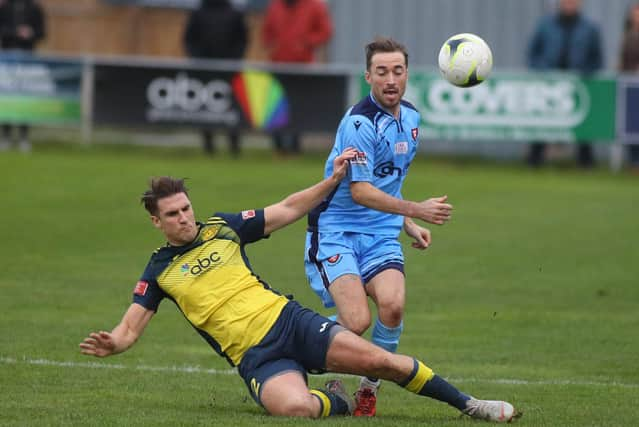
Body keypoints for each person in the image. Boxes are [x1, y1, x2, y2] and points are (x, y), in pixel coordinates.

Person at [79, 167, 519, 422]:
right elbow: (130, 328)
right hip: (257, 357)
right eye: (172, 215)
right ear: (157, 222)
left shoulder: (223, 228)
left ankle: (469, 404)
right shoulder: (159, 271)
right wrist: (113, 344)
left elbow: (288, 208)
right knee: (295, 409)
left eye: (186, 208)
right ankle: (338, 400)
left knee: (380, 362)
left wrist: (333, 180)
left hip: (290, 321)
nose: (183, 218)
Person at [303, 37, 454, 416]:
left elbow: (389, 182)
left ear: (407, 75)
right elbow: (361, 191)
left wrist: (405, 221)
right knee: (355, 321)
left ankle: (370, 386)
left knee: (393, 306)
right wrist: (416, 210)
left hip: (381, 232)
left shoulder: (413, 119)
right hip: (336, 228)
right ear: (368, 76)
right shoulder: (359, 123)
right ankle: (306, 348)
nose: (390, 79)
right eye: (382, 71)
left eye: (398, 71)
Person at [526, 0, 603, 168]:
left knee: (583, 122)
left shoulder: (590, 28)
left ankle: (586, 162)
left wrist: (583, 73)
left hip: (579, 85)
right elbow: (532, 54)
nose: (570, 4)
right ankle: (534, 160)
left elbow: (597, 60)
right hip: (548, 85)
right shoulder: (545, 25)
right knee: (542, 121)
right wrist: (544, 71)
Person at [261, 0, 333, 154]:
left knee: (297, 107)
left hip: (302, 67)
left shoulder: (314, 5)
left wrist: (306, 42)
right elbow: (267, 32)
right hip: (278, 65)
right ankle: (278, 147)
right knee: (275, 105)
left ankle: (295, 147)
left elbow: (325, 31)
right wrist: (271, 46)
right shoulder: (275, 5)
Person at [183, 0, 247, 157]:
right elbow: (189, 39)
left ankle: (234, 146)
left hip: (229, 71)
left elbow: (242, 39)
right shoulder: (199, 13)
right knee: (205, 107)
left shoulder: (234, 13)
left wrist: (233, 60)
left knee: (231, 108)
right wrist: (199, 60)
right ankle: (208, 146)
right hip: (204, 71)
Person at [0, 0, 45, 152]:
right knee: (5, 97)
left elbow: (42, 33)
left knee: (26, 98)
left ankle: (24, 137)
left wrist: (31, 33)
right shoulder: (5, 7)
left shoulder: (35, 8)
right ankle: (5, 136)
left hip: (28, 60)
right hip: (7, 59)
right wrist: (15, 32)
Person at [619, 2, 639, 170]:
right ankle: (634, 162)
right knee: (632, 125)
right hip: (632, 86)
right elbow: (622, 61)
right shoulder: (627, 36)